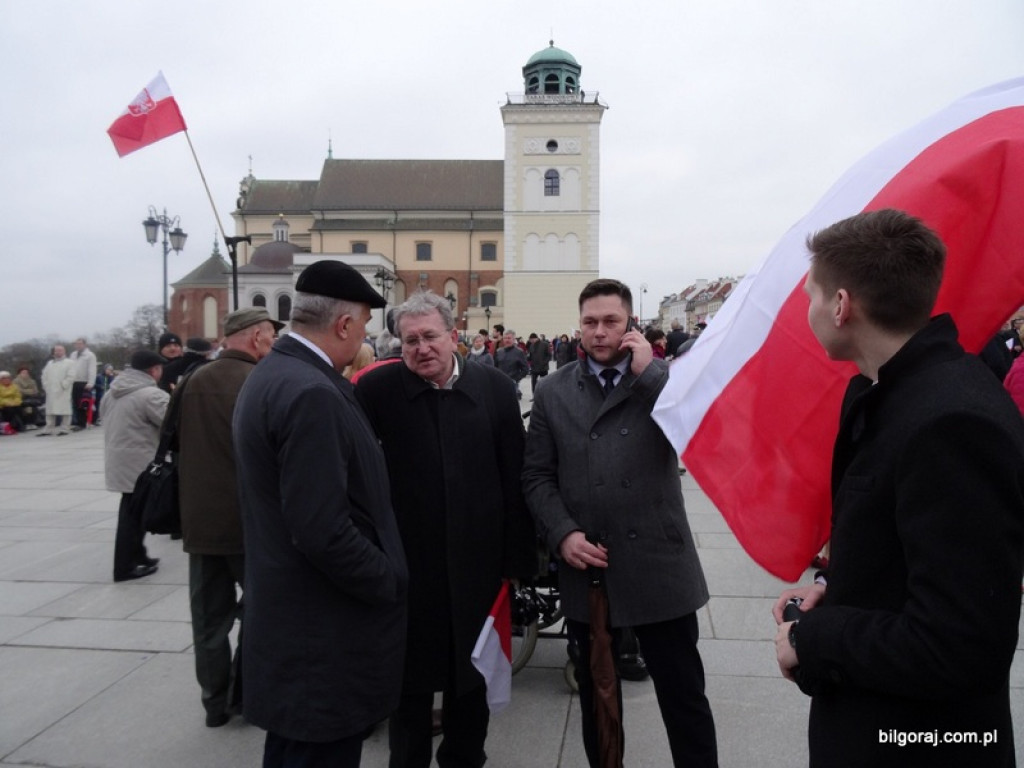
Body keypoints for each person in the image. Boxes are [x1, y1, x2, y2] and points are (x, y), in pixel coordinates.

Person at [772, 209, 1024, 768]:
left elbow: (959, 645)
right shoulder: (890, 391)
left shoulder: (951, 422)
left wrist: (817, 638)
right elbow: (903, 552)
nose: (807, 309)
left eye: (811, 294)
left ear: (840, 306)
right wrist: (836, 589)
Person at [523, 278, 717, 767]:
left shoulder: (662, 380)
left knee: (684, 697)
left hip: (659, 562)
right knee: (597, 698)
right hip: (592, 567)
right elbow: (537, 475)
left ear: (630, 324)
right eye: (590, 322)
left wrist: (650, 374)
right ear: (580, 326)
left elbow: (698, 435)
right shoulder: (553, 391)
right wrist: (562, 532)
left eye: (611, 321)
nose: (599, 332)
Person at [233, 260, 407, 768]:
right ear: (345, 325)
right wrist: (387, 579)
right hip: (322, 633)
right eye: (365, 325)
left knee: (293, 750)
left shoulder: (276, 374)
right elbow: (322, 529)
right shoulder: (311, 392)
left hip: (296, 625)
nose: (364, 337)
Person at [356, 291, 536, 768]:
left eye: (430, 336)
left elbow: (514, 475)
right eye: (410, 340)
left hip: (479, 567)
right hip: (409, 566)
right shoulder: (375, 393)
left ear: (453, 336)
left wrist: (518, 561)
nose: (421, 348)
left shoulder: (495, 389)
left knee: (470, 677)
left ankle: (464, 756)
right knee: (410, 682)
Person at [174, 307, 282, 728]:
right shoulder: (261, 381)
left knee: (208, 619)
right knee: (264, 613)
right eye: (271, 337)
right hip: (251, 524)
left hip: (201, 523)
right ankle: (249, 693)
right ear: (256, 338)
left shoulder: (192, 380)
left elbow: (171, 442)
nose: (272, 345)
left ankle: (214, 703)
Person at [102, 350, 169, 582]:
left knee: (133, 510)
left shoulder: (111, 393)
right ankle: (124, 567)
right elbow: (171, 424)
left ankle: (139, 555)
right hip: (141, 462)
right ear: (153, 370)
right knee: (131, 517)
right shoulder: (151, 394)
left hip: (120, 459)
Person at [39, 345, 75, 436]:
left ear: (64, 351)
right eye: (56, 351)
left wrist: (64, 385)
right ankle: (48, 429)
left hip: (63, 390)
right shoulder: (50, 363)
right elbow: (44, 375)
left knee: (65, 410)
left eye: (60, 351)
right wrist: (46, 386)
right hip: (51, 390)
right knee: (50, 411)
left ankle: (65, 428)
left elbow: (71, 376)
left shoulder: (70, 362)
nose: (58, 352)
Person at [69, 337, 98, 429]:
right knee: (75, 402)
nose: (78, 345)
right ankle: (78, 421)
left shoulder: (90, 355)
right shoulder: (73, 355)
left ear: (84, 344)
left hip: (84, 381)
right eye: (76, 344)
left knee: (82, 403)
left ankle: (83, 422)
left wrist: (91, 382)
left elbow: (92, 370)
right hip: (74, 381)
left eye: (80, 344)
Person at [494, 329, 528, 399]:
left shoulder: (519, 352)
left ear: (513, 339)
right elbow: (495, 367)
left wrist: (516, 379)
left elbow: (525, 369)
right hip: (500, 383)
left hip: (512, 384)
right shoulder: (499, 351)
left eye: (509, 338)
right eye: (505, 338)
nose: (507, 340)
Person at [526, 332, 551, 396]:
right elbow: (530, 356)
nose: (531, 341)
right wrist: (528, 358)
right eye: (530, 340)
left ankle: (544, 395)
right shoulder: (531, 345)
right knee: (533, 382)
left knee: (544, 382)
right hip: (534, 367)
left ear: (536, 338)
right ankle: (535, 396)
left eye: (531, 340)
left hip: (543, 367)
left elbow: (549, 355)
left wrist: (544, 362)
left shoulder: (545, 344)